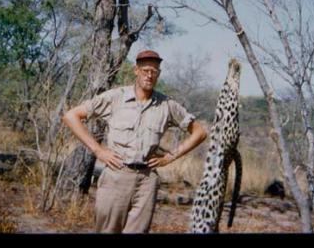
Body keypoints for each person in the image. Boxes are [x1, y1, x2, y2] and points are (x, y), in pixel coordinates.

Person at [62, 49, 207, 233]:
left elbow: (199, 132)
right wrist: (98, 150)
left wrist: (170, 157)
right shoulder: (116, 97)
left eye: (154, 71)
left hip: (147, 181)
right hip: (116, 175)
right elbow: (71, 116)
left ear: (159, 74)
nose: (149, 75)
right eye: (145, 70)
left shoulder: (167, 105)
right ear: (136, 70)